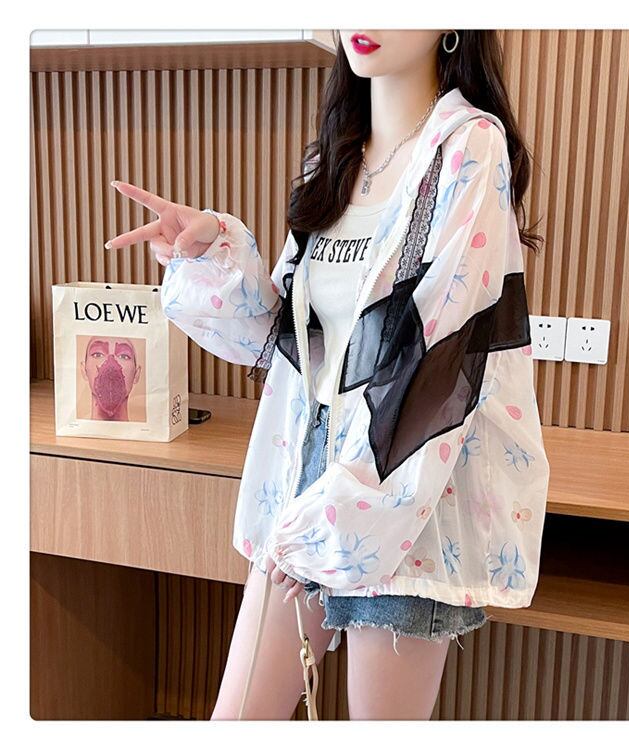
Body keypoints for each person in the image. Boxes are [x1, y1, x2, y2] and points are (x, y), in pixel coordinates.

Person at [104, 29, 549, 721]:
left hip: (400, 486)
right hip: (305, 471)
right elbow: (289, 341)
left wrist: (343, 510)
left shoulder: (469, 147)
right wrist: (213, 250)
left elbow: (438, 355)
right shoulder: (335, 158)